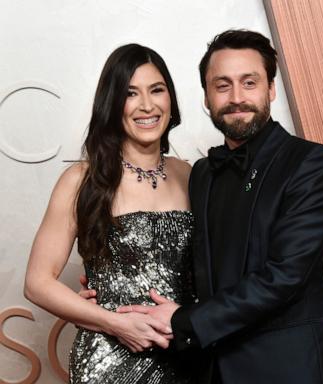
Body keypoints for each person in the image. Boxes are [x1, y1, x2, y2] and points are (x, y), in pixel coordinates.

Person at [116, 30, 323, 383]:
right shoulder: (203, 174)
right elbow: (188, 261)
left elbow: (284, 276)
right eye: (222, 86)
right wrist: (115, 276)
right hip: (213, 370)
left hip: (291, 370)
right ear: (207, 98)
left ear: (271, 89)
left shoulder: (311, 163)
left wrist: (184, 322)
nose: (236, 98)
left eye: (249, 83)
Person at [24, 44, 196, 383]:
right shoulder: (81, 180)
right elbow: (37, 282)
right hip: (108, 362)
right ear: (112, 103)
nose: (147, 105)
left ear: (170, 99)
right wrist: (114, 322)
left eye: (157, 90)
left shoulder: (192, 174)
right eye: (131, 93)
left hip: (187, 358)